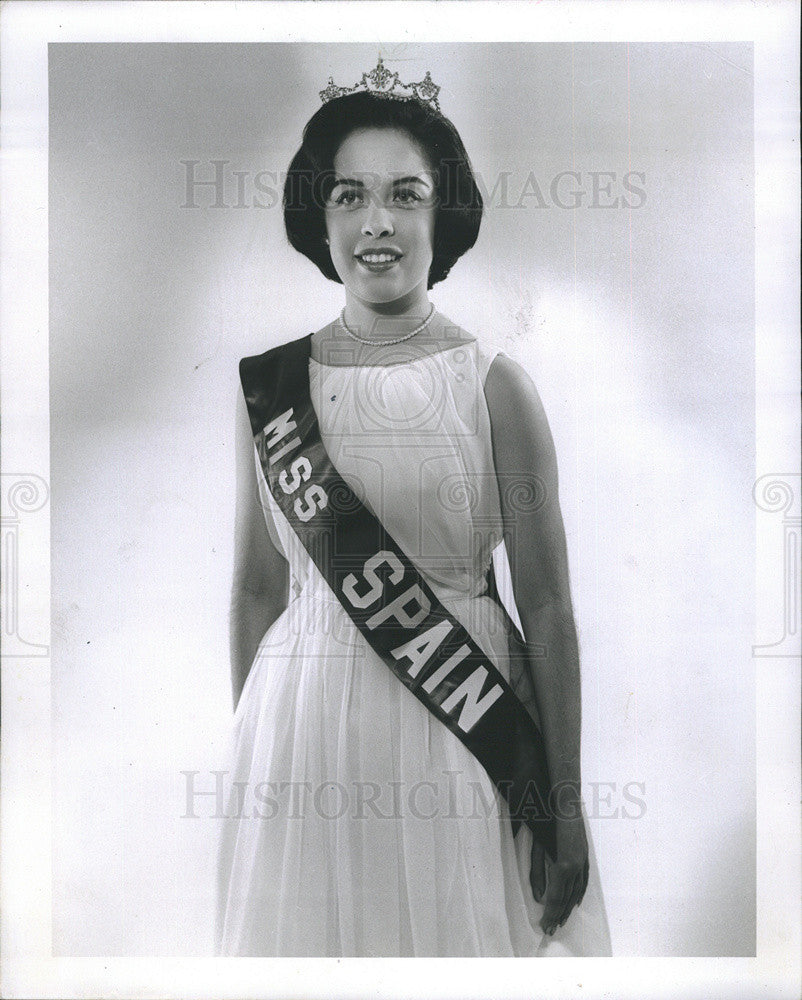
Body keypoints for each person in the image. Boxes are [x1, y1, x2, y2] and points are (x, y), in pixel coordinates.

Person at [216, 61, 611, 957]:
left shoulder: (496, 387)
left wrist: (561, 797)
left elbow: (545, 603)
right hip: (302, 743)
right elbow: (253, 590)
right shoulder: (272, 390)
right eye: (349, 196)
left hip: (461, 739)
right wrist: (260, 747)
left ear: (445, 213)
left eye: (406, 194)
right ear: (320, 218)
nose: (377, 223)